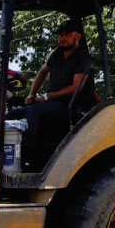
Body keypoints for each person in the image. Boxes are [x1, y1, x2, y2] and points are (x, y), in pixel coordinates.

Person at [8, 17, 94, 171]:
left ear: (77, 36)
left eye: (66, 35)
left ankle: (29, 162)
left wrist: (49, 96)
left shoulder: (82, 57)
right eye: (60, 35)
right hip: (52, 103)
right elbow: (42, 71)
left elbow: (76, 88)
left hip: (70, 106)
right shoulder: (57, 54)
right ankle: (3, 159)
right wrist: (31, 95)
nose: (62, 38)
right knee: (14, 113)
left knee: (33, 113)